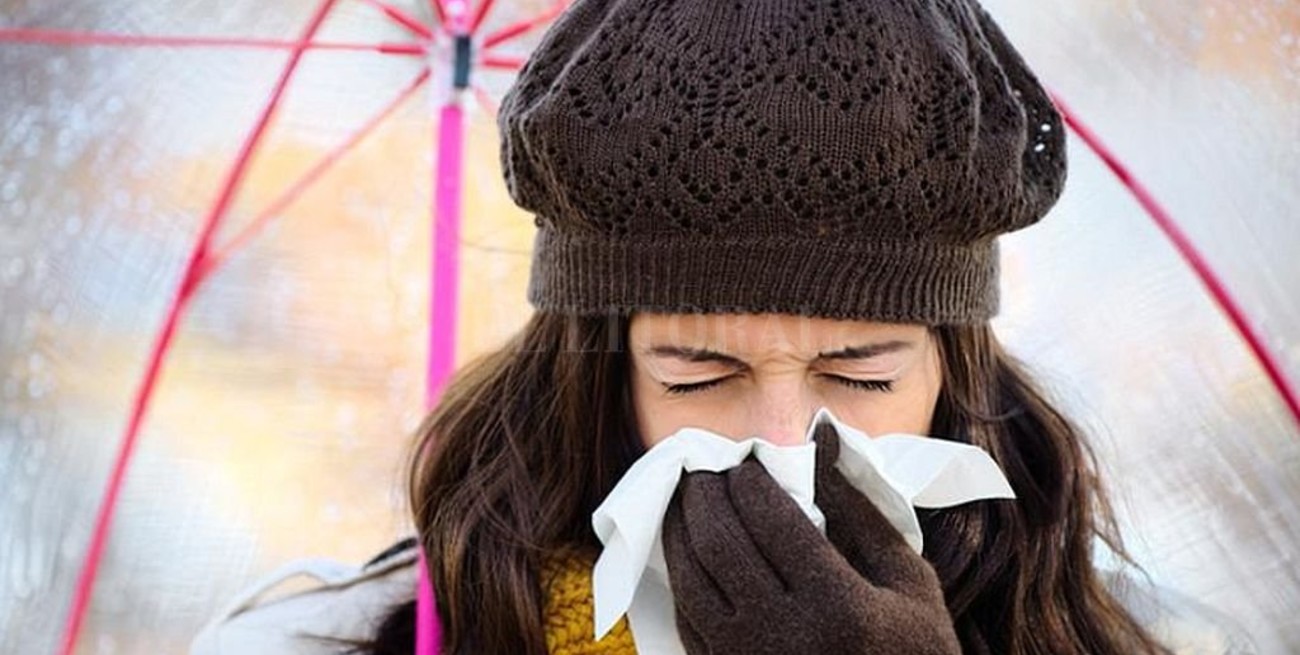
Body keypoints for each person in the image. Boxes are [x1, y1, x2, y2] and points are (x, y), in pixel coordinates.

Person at [191, 0, 1258, 653]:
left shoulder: (1153, 643)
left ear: (954, 370)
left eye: (863, 373)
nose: (782, 445)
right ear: (598, 375)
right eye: (696, 374)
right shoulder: (321, 643)